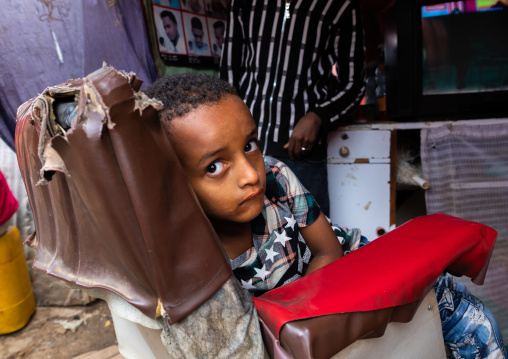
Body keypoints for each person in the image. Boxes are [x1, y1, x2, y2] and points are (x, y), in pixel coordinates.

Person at [145, 73, 507, 358]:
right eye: (215, 166)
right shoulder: (191, 260)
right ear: (177, 184)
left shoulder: (274, 175)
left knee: (468, 320)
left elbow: (328, 251)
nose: (250, 174)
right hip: (316, 317)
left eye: (249, 145)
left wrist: (293, 317)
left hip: (357, 267)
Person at [220, 0, 366, 216]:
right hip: (245, 151)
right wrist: (232, 131)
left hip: (301, 155)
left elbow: (354, 84)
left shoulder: (340, 6)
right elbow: (229, 72)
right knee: (244, 240)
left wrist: (318, 116)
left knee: (310, 242)